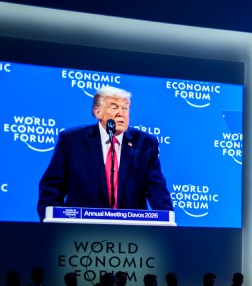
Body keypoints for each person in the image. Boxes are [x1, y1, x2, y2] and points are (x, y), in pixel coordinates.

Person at [36, 85, 172, 218]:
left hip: (130, 233)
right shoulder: (72, 141)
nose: (121, 113)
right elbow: (51, 188)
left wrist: (167, 226)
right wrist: (54, 225)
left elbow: (157, 190)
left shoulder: (145, 144)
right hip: (79, 232)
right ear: (97, 112)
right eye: (114, 107)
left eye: (125, 108)